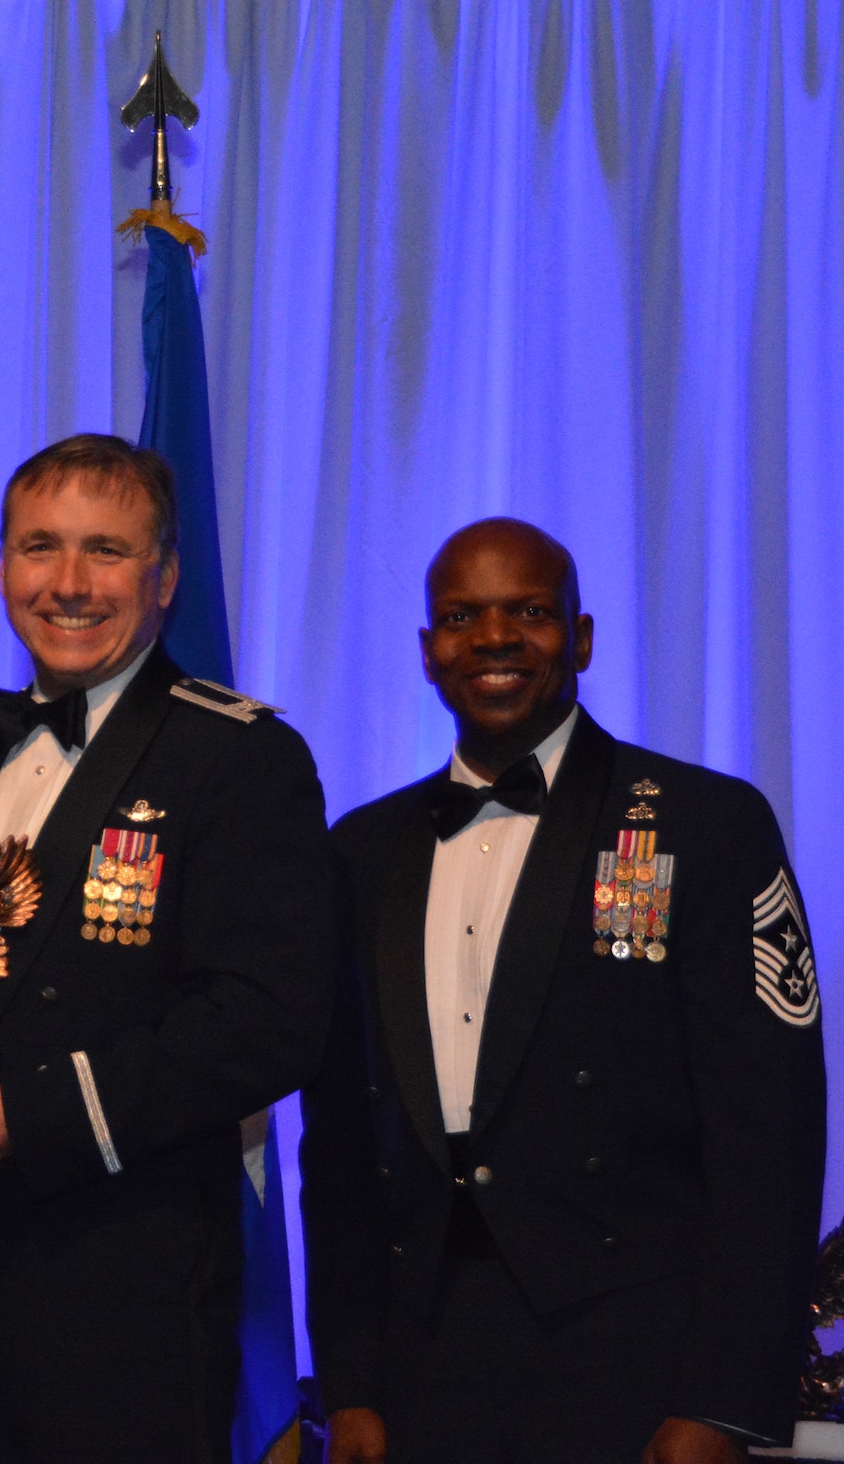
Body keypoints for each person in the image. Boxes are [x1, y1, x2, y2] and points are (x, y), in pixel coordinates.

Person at [0, 433, 336, 1463]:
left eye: (104, 550)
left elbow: (267, 1022)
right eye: (37, 547)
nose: (66, 583)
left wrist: (21, 1118)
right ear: (3, 565)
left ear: (164, 578)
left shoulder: (238, 756)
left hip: (127, 1285)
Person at [300, 518, 826, 1464]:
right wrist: (350, 1385)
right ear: (428, 652)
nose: (494, 637)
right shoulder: (360, 850)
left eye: (530, 611)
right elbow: (339, 1146)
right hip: (422, 1370)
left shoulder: (706, 825)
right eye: (461, 616)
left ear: (581, 637)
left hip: (636, 1366)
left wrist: (724, 1402)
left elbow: (769, 1142)